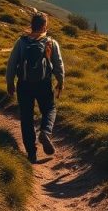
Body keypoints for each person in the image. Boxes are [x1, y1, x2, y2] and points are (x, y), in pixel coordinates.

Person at [6, 10, 64, 164]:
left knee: (26, 117)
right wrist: (60, 81)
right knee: (50, 109)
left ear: (32, 25)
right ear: (44, 26)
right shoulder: (51, 42)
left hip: (24, 84)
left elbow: (12, 63)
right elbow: (58, 65)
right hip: (43, 84)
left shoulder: (22, 41)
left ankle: (31, 153)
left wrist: (10, 82)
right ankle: (45, 132)